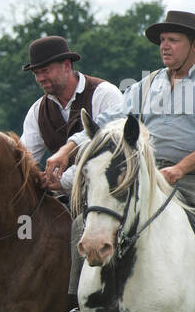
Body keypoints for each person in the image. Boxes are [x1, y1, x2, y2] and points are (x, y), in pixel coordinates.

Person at [49, 10, 195, 312]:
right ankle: (77, 310)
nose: (165, 47)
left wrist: (180, 169)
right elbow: (108, 120)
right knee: (83, 223)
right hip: (143, 173)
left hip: (194, 176)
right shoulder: (144, 86)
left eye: (173, 40)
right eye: (162, 40)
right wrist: (66, 149)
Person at [18, 35, 124, 193]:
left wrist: (64, 180)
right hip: (66, 202)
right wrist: (33, 177)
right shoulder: (37, 111)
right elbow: (24, 159)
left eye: (45, 71)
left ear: (67, 66)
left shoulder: (104, 94)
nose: (40, 78)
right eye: (36, 73)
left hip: (110, 197)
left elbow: (113, 151)